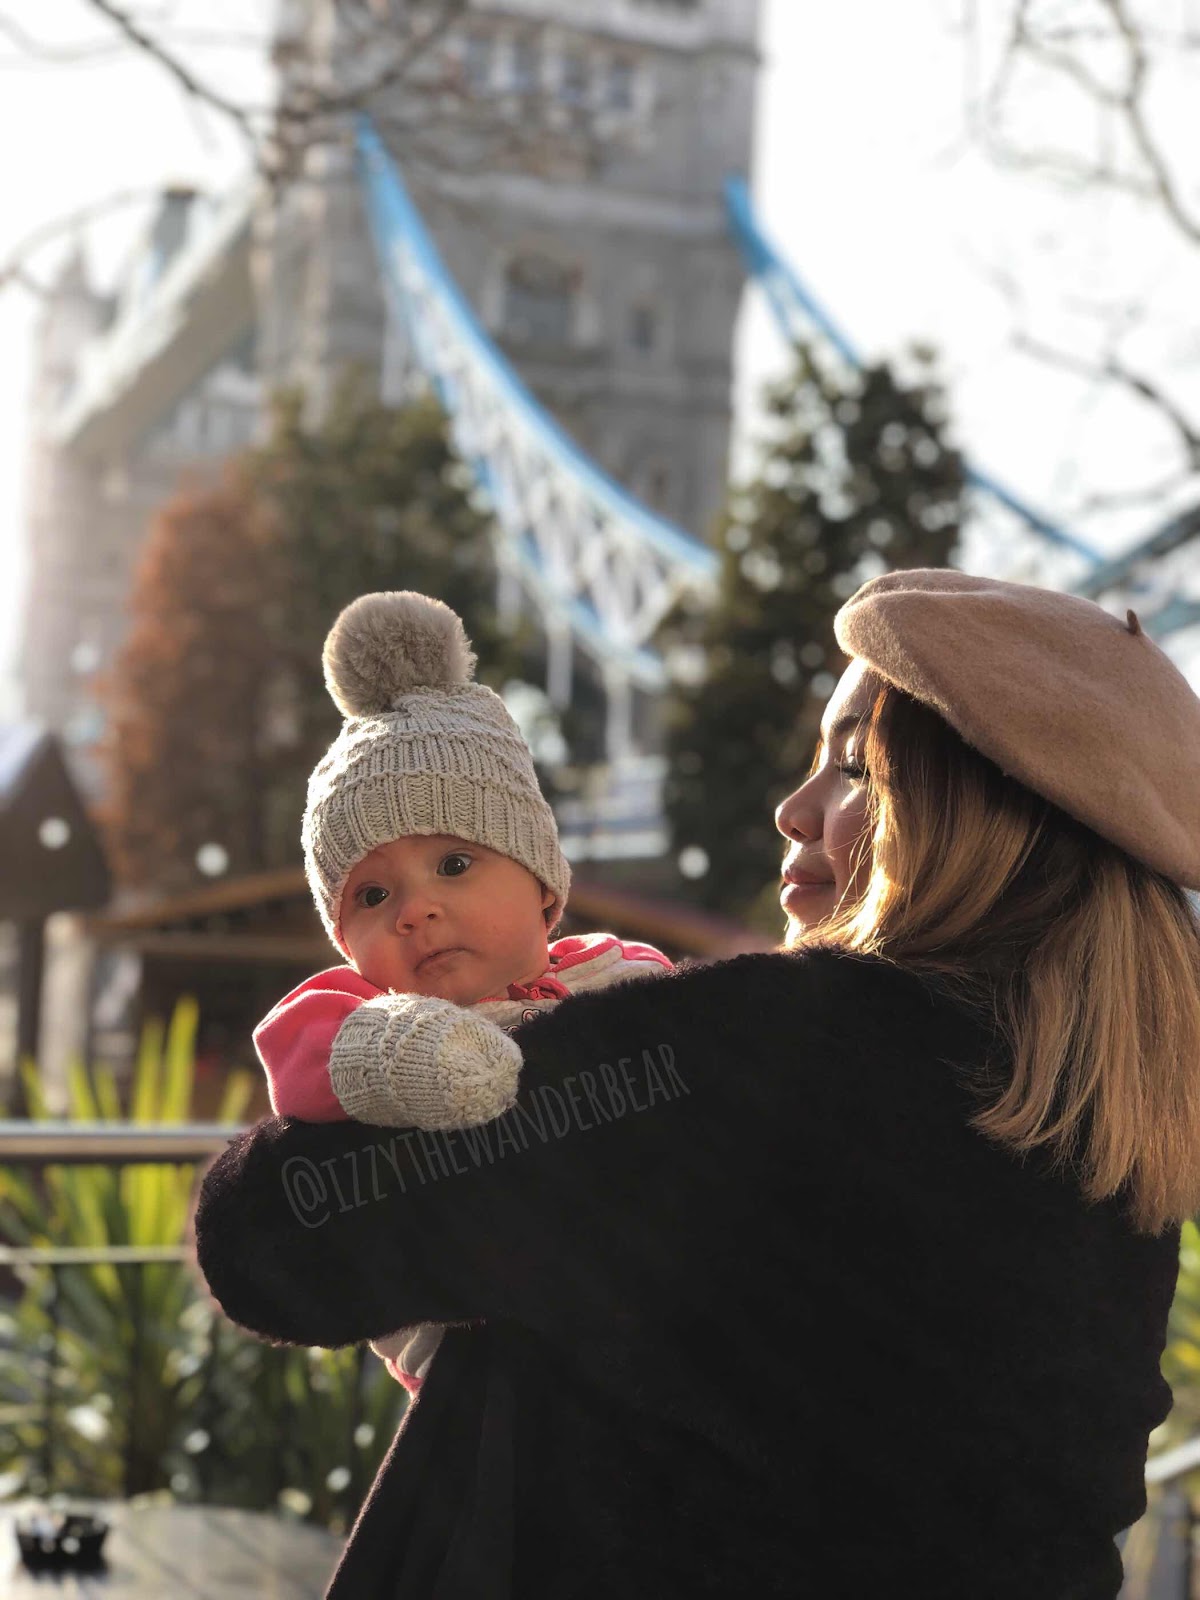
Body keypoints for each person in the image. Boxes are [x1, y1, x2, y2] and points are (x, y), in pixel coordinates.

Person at [192, 568, 1200, 1599]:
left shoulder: (768, 1054)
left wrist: (372, 1052)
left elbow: (274, 1234)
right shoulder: (1120, 1159)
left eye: (854, 768)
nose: (793, 807)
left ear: (993, 823)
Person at [253, 589, 672, 1394]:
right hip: (479, 1380)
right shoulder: (357, 1010)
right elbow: (299, 1051)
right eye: (372, 897)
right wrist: (407, 1048)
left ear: (544, 887)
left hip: (642, 1328)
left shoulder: (623, 973)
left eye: (454, 864)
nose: (418, 910)